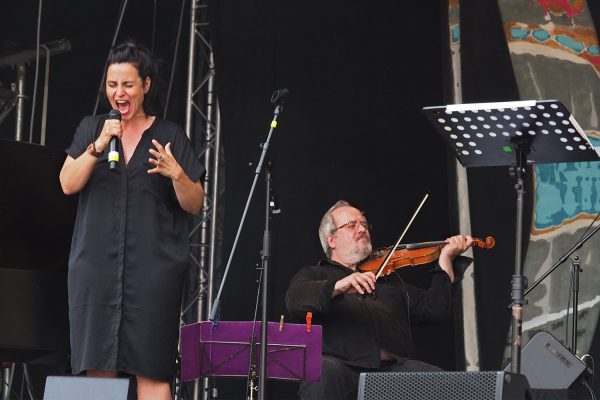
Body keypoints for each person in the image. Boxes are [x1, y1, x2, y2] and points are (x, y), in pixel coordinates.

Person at [59, 40, 205, 400]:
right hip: (97, 270)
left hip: (153, 272)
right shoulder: (92, 128)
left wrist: (177, 175)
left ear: (146, 86)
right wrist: (97, 146)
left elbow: (194, 202)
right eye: (112, 85)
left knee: (152, 371)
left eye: (127, 85)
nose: (118, 93)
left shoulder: (169, 135)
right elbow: (66, 183)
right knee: (98, 370)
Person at [285, 200, 473, 399]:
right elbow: (295, 299)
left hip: (391, 371)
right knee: (322, 373)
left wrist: (445, 259)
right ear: (331, 240)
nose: (362, 229)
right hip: (340, 367)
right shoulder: (316, 274)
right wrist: (338, 287)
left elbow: (437, 309)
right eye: (352, 225)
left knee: (444, 383)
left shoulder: (387, 280)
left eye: (364, 224)